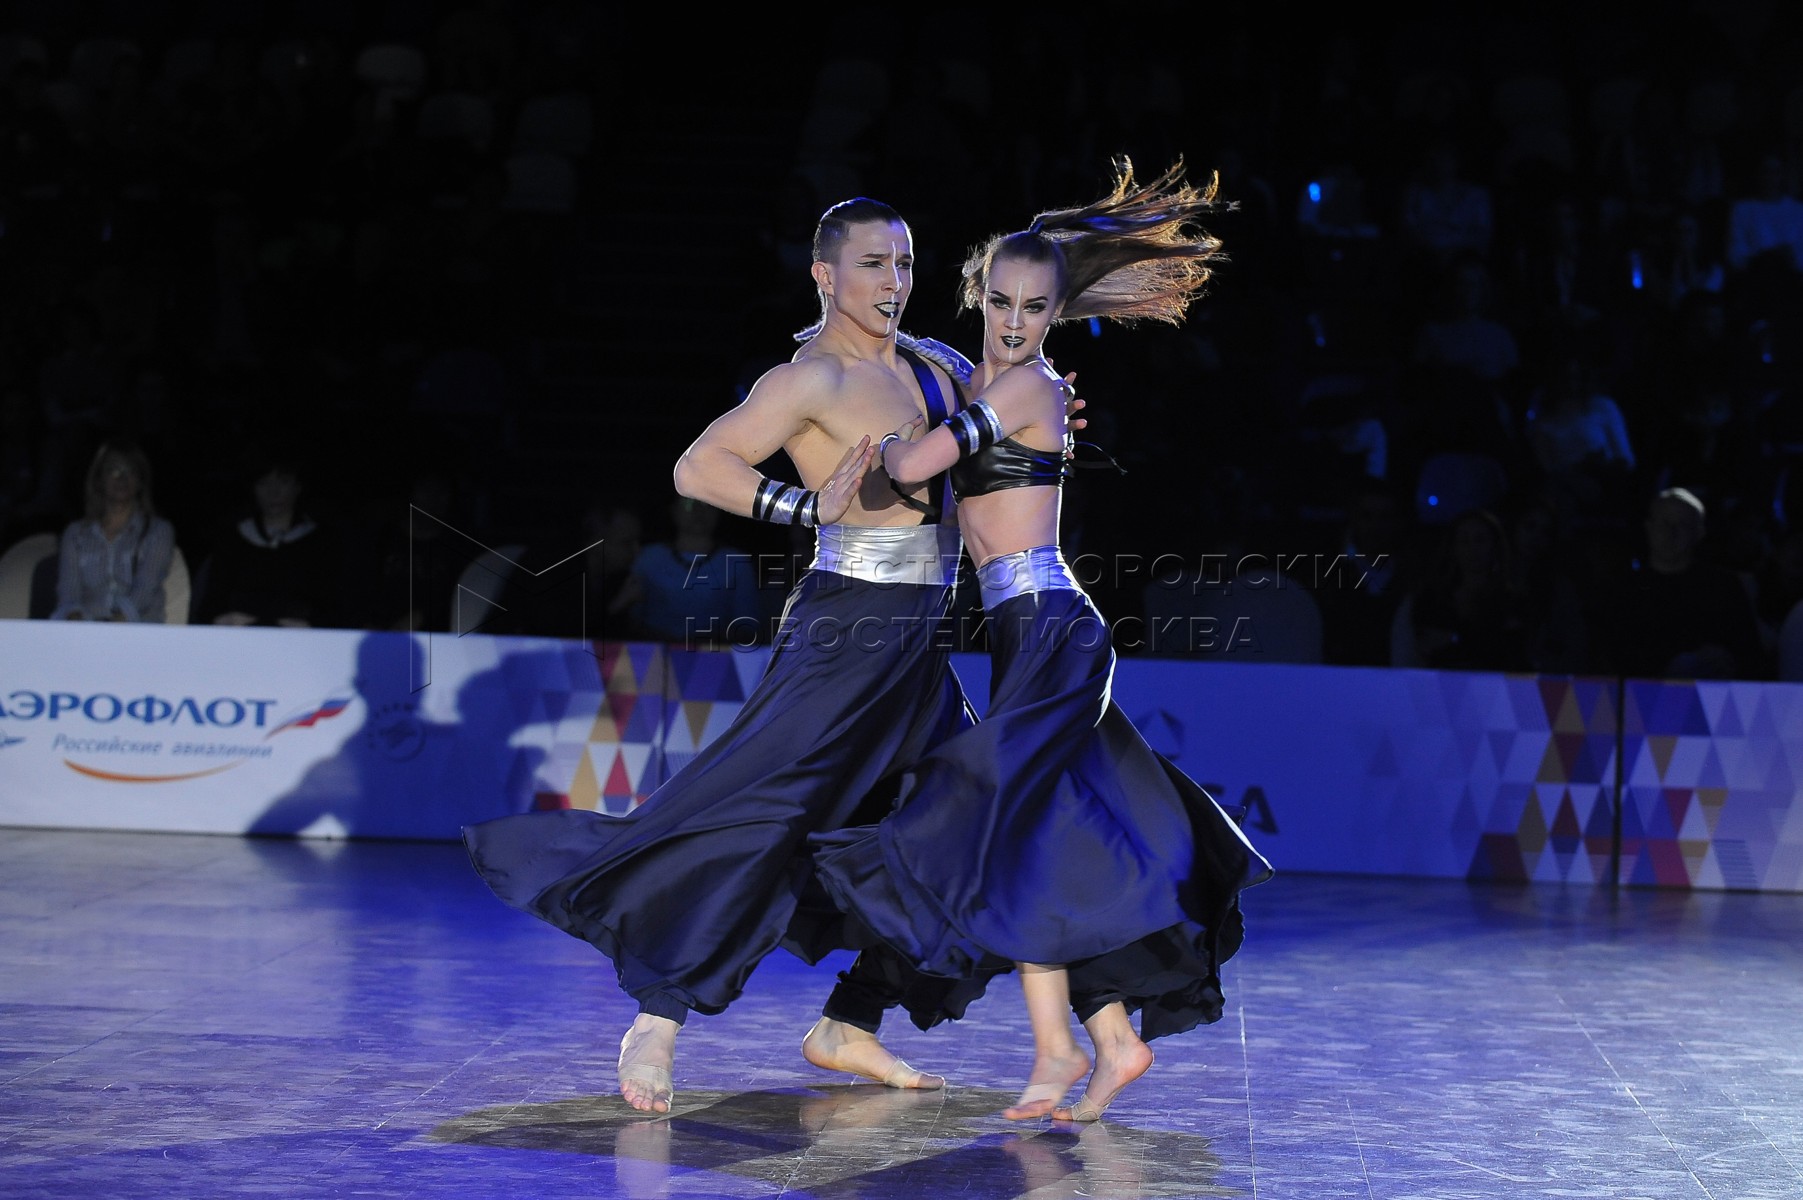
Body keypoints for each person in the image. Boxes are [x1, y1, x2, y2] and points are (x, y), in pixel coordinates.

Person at [463, 195, 1085, 1115]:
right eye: (872, 263)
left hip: (920, 638)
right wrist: (802, 507)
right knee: (763, 811)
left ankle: (849, 1022)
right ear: (825, 275)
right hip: (845, 630)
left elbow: (1010, 411)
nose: (893, 281)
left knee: (957, 821)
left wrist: (1056, 410)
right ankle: (658, 1017)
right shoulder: (809, 379)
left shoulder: (939, 366)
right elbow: (698, 467)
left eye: (904, 263)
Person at [811, 158, 1273, 1125]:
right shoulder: (980, 378)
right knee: (1040, 835)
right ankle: (1105, 1037)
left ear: (1057, 313)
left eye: (1035, 308)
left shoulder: (1025, 387)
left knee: (999, 822)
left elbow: (913, 465)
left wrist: (877, 437)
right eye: (1001, 302)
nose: (1015, 321)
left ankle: (1056, 1045)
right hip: (1020, 634)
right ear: (978, 293)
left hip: (1051, 629)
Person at [192, 450, 341, 628]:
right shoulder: (233, 538)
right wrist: (221, 618)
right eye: (263, 483)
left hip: (301, 639)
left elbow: (337, 606)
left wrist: (312, 625)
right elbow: (209, 604)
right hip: (242, 636)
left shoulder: (322, 541)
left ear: (298, 487)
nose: (273, 492)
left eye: (283, 482)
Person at [48, 437, 178, 623]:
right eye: (114, 471)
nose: (122, 478)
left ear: (140, 481)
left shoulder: (158, 531)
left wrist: (117, 623)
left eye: (130, 471)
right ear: (99, 479)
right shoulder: (76, 534)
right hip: (87, 629)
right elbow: (69, 592)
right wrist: (77, 621)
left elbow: (146, 588)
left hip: (138, 630)